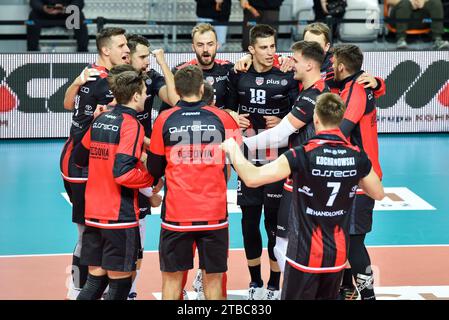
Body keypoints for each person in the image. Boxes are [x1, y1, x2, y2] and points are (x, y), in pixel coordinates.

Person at [221, 92, 385, 300]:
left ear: (315, 118)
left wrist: (234, 149)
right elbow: (377, 193)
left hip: (304, 256)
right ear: (342, 118)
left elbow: (253, 178)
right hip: (336, 256)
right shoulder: (357, 156)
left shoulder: (301, 154)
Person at [147, 65, 241, 300]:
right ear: (202, 88)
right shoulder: (223, 118)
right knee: (214, 279)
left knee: (171, 278)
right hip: (214, 214)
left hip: (177, 216)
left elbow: (154, 169)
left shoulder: (164, 119)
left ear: (177, 90)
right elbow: (236, 162)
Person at [242, 40, 329, 274]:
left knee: (285, 240)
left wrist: (239, 146)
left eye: (297, 61)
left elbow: (281, 133)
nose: (293, 66)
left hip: (307, 175)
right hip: (302, 174)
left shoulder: (315, 95)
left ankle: (297, 288)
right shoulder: (311, 91)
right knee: (287, 238)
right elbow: (284, 137)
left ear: (310, 65)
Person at [228, 24, 299, 300]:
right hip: (248, 161)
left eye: (273, 46)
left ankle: (273, 285)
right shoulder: (239, 76)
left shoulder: (286, 77)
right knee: (248, 223)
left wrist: (283, 122)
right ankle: (255, 282)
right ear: (251, 50)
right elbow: (226, 108)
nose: (270, 52)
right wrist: (233, 116)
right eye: (264, 47)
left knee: (273, 225)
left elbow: (299, 117)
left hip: (275, 162)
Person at [59, 27, 129, 300]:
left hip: (90, 164)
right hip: (80, 166)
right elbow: (78, 124)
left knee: (95, 231)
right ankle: (77, 288)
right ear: (105, 50)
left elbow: (66, 104)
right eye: (122, 45)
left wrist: (75, 83)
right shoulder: (98, 80)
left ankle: (91, 288)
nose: (126, 50)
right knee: (87, 233)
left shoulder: (95, 75)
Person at [73, 70, 154, 300]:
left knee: (93, 284)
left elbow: (79, 158)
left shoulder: (100, 119)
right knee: (119, 287)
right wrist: (149, 179)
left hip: (94, 214)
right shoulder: (132, 125)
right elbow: (123, 174)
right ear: (136, 95)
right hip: (119, 217)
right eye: (145, 92)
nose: (147, 95)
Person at [332, 44, 383, 300]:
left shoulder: (357, 91)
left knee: (353, 241)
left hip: (360, 178)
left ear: (342, 66)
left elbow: (341, 130)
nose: (331, 65)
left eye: (333, 62)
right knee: (344, 237)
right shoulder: (359, 84)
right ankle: (347, 289)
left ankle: (369, 295)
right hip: (355, 175)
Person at [159, 23, 235, 114]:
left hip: (221, 125)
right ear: (193, 47)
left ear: (217, 46)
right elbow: (165, 111)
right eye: (200, 45)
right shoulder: (180, 72)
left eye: (210, 44)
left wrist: (248, 57)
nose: (205, 49)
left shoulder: (229, 68)